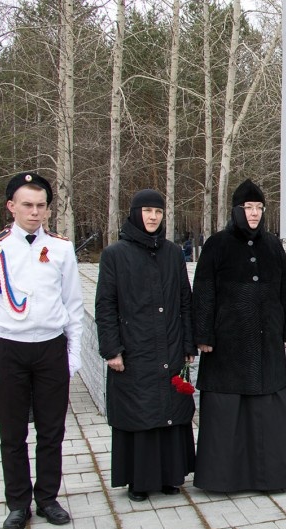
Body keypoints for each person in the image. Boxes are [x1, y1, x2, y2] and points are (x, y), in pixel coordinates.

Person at [0, 172, 84, 529]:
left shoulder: (62, 248)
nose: (34, 213)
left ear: (48, 210)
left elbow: (74, 304)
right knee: (12, 434)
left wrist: (74, 352)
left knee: (52, 431)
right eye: (27, 205)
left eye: (41, 206)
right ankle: (18, 502)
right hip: (9, 349)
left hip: (50, 348)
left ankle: (47, 497)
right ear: (11, 207)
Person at [191, 179, 286, 491]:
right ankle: (225, 479)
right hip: (227, 345)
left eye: (259, 207)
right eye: (248, 207)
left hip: (266, 341)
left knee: (268, 407)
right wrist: (203, 334)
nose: (254, 213)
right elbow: (202, 292)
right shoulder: (216, 244)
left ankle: (275, 476)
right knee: (229, 410)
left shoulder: (272, 245)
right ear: (236, 210)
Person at [95, 189, 196, 501]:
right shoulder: (115, 255)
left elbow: (185, 301)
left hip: (171, 344)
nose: (153, 217)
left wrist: (189, 344)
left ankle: (169, 476)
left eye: (158, 212)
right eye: (148, 211)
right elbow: (105, 306)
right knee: (140, 412)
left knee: (170, 411)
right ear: (136, 213)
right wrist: (111, 350)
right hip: (135, 347)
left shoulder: (172, 252)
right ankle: (139, 481)